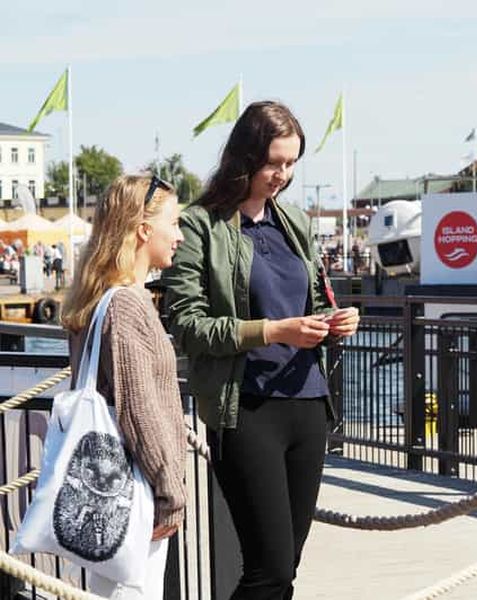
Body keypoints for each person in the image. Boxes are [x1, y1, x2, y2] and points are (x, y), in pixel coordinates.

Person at [160, 101, 360, 600]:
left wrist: (336, 323)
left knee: (283, 568)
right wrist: (272, 331)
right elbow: (187, 325)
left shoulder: (294, 220)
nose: (283, 175)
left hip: (308, 406)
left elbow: (311, 301)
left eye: (291, 164)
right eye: (275, 163)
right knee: (268, 570)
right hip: (246, 409)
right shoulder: (201, 226)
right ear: (244, 157)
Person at [60, 174, 187, 599]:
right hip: (136, 494)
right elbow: (138, 409)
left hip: (104, 488)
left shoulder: (94, 299)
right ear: (144, 229)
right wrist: (171, 490)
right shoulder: (129, 303)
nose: (180, 236)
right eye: (174, 223)